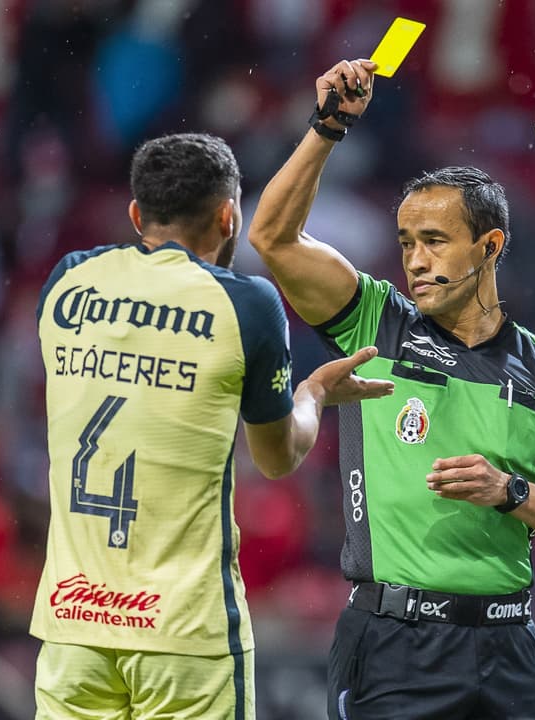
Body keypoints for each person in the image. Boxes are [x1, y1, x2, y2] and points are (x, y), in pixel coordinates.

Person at [248, 59, 535, 720]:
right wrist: (327, 128)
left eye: (435, 241)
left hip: (508, 648)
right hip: (392, 645)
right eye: (406, 243)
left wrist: (510, 491)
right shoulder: (375, 323)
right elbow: (272, 237)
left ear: (490, 246)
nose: (415, 261)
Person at [28, 133, 393, 720]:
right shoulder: (247, 303)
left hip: (73, 627)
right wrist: (315, 393)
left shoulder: (68, 280)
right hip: (183, 632)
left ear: (136, 215)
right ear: (228, 217)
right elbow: (277, 457)